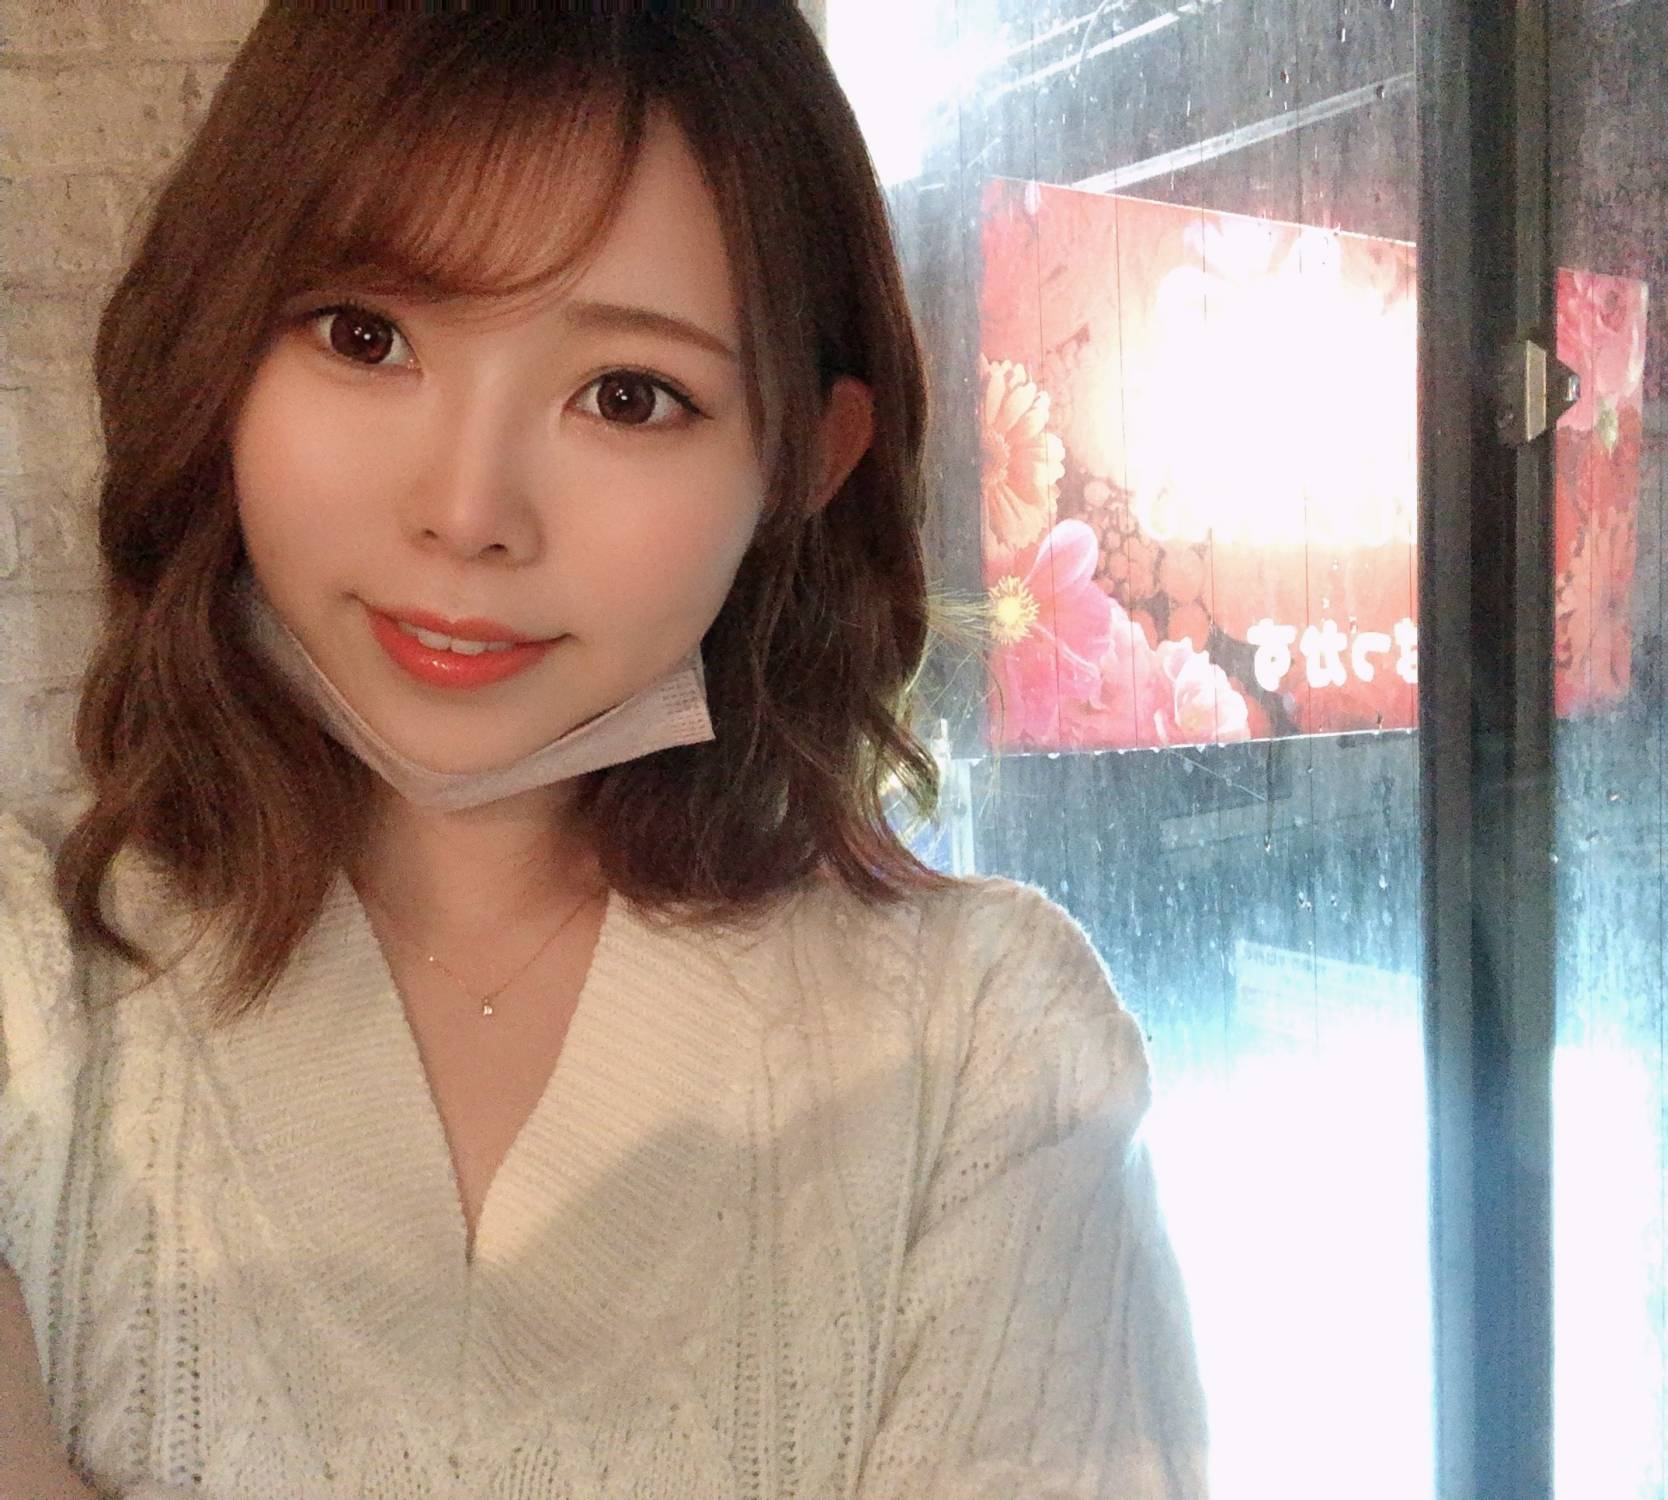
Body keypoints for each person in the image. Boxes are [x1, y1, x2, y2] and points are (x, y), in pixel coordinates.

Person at [0, 6, 1210, 1497]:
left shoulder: (985, 1053)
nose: (466, 512)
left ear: (805, 459)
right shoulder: (31, 988)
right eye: (366, 336)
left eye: (628, 396)